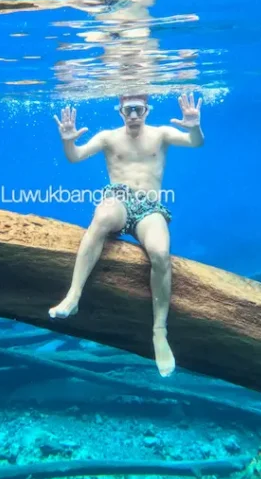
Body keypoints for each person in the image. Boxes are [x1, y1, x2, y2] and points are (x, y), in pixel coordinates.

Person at [50, 92, 204, 377]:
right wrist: (67, 140)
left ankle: (159, 331)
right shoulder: (108, 137)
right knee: (103, 216)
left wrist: (193, 125)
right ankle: (73, 296)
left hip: (150, 208)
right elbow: (75, 157)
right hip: (118, 199)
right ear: (119, 111)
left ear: (147, 110)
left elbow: (195, 142)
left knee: (160, 253)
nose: (133, 115)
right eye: (128, 110)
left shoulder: (161, 134)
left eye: (139, 109)